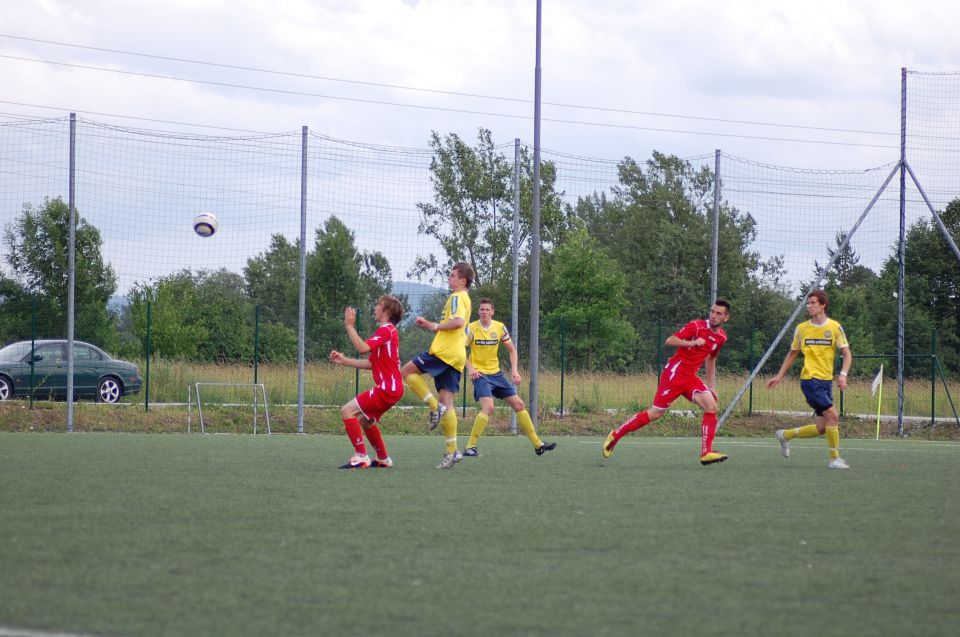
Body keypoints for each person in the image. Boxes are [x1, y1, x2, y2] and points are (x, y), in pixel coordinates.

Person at [602, 300, 732, 465]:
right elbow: (670, 340)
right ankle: (615, 435)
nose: (713, 316)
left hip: (690, 378)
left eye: (718, 313)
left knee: (711, 406)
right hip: (674, 375)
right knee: (655, 414)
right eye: (712, 311)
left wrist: (711, 387)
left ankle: (706, 452)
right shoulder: (697, 327)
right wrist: (692, 342)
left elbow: (711, 359)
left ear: (726, 317)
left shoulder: (721, 338)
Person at [766, 289, 852, 469]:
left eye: (813, 303)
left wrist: (843, 375)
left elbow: (846, 353)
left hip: (826, 381)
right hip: (810, 381)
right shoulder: (802, 328)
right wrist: (780, 375)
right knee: (833, 416)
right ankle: (835, 459)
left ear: (823, 305)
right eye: (808, 303)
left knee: (822, 427)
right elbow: (792, 353)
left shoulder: (835, 327)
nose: (809, 306)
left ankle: (785, 435)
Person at [461, 298, 557, 458]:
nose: (484, 312)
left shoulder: (499, 328)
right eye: (481, 310)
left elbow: (512, 350)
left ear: (492, 312)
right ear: (478, 312)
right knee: (489, 408)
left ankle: (538, 445)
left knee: (519, 405)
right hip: (480, 374)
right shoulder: (471, 329)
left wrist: (515, 371)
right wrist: (470, 367)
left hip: (496, 374)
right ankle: (470, 447)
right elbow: (459, 350)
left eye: (487, 310)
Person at [401, 262, 474, 469]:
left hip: (444, 352)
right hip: (457, 356)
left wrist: (433, 325)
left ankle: (435, 408)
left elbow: (459, 322)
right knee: (448, 403)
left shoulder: (457, 297)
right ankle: (452, 452)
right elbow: (458, 326)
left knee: (406, 372)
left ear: (462, 280)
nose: (449, 278)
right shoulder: (465, 298)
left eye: (452, 275)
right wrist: (432, 326)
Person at [328, 295, 405, 469]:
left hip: (388, 388)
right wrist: (345, 360)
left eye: (378, 305)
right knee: (365, 420)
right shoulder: (387, 332)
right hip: (393, 389)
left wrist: (349, 326)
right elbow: (371, 363)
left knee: (347, 410)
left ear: (386, 311)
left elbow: (363, 349)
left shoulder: (387, 330)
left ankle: (361, 455)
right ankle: (383, 459)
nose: (375, 308)